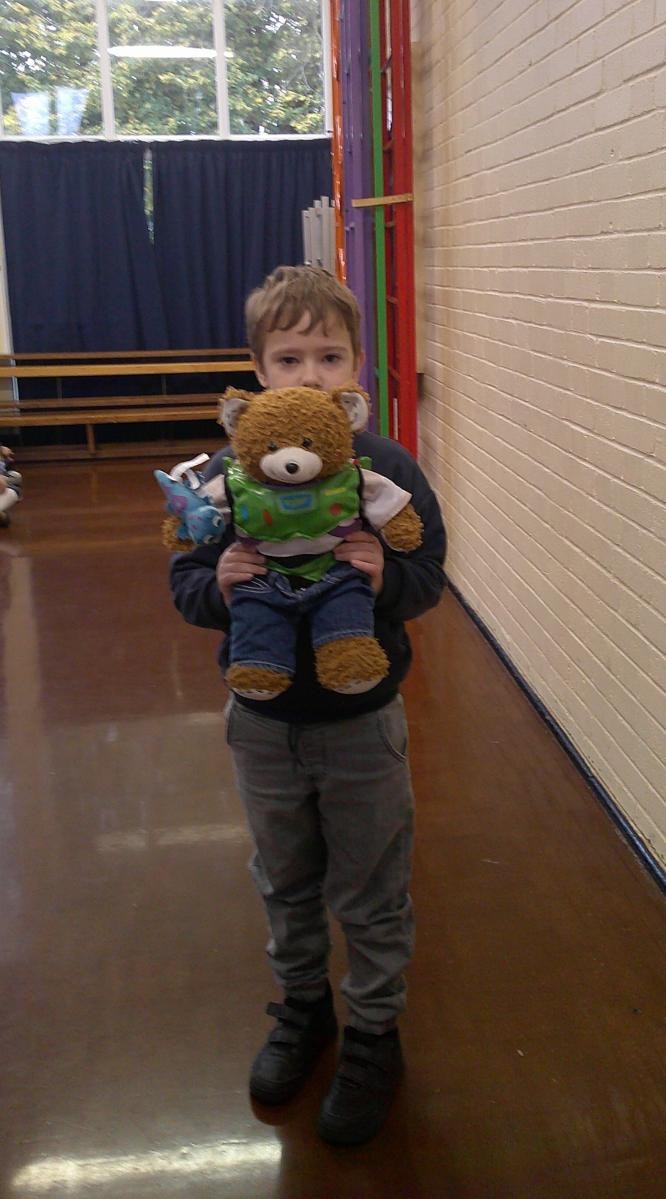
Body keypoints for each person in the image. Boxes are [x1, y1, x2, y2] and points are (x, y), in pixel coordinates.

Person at [169, 265, 446, 1146]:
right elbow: (183, 581)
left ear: (357, 363)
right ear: (256, 371)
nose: (311, 375)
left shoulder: (385, 465)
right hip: (264, 725)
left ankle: (373, 1032)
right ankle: (303, 1008)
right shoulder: (229, 467)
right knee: (284, 877)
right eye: (289, 358)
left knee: (371, 884)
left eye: (330, 356)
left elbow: (428, 575)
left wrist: (383, 575)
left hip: (362, 722)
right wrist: (219, 583)